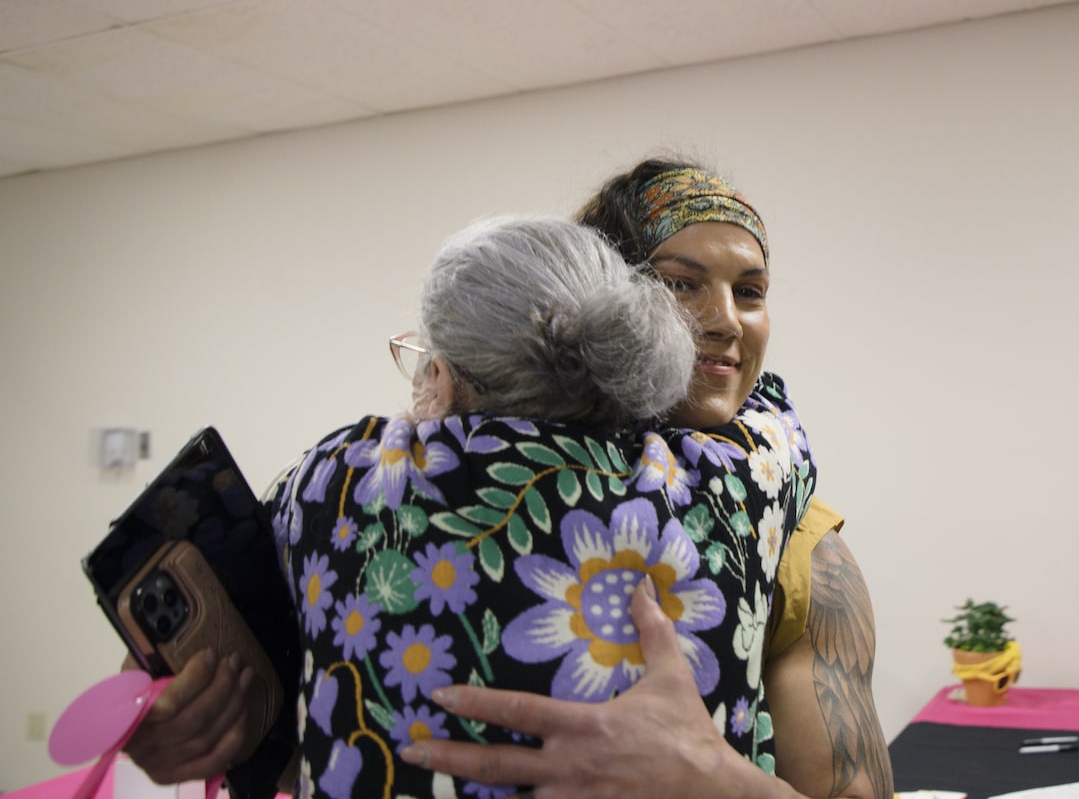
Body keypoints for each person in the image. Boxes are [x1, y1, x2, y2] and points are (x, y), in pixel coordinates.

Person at [126, 212, 814, 798]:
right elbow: (773, 410)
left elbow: (216, 595)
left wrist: (153, 696)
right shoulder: (728, 487)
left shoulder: (335, 480)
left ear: (446, 379)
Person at [401, 159, 893, 799]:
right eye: (681, 284)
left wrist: (717, 777)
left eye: (750, 291)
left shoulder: (799, 546)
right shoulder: (437, 488)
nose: (726, 320)